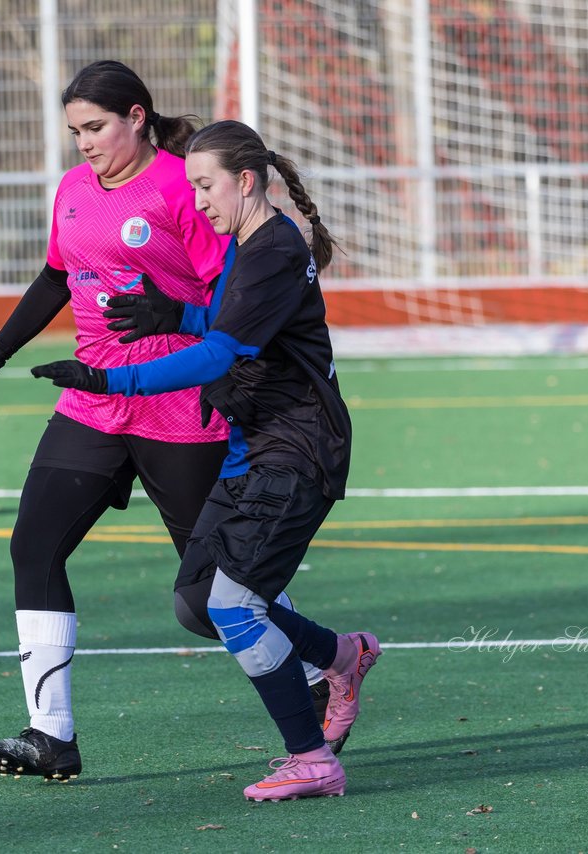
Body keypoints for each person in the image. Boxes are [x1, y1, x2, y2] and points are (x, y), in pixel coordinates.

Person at [30, 119, 381, 801]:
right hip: (253, 443)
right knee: (199, 604)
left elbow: (225, 352)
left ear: (245, 181)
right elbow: (231, 322)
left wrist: (111, 379)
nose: (197, 201)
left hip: (297, 447)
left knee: (236, 607)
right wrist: (176, 317)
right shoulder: (249, 242)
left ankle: (312, 759)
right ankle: (342, 657)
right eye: (190, 185)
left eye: (205, 184)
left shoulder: (273, 249)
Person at [0, 60, 235, 782]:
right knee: (33, 548)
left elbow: (233, 297)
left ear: (137, 116)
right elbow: (57, 277)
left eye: (95, 127)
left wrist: (199, 341)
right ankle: (51, 736)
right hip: (92, 400)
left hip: (177, 400)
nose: (84, 144)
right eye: (75, 132)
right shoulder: (71, 190)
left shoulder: (182, 188)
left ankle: (327, 666)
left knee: (215, 590)